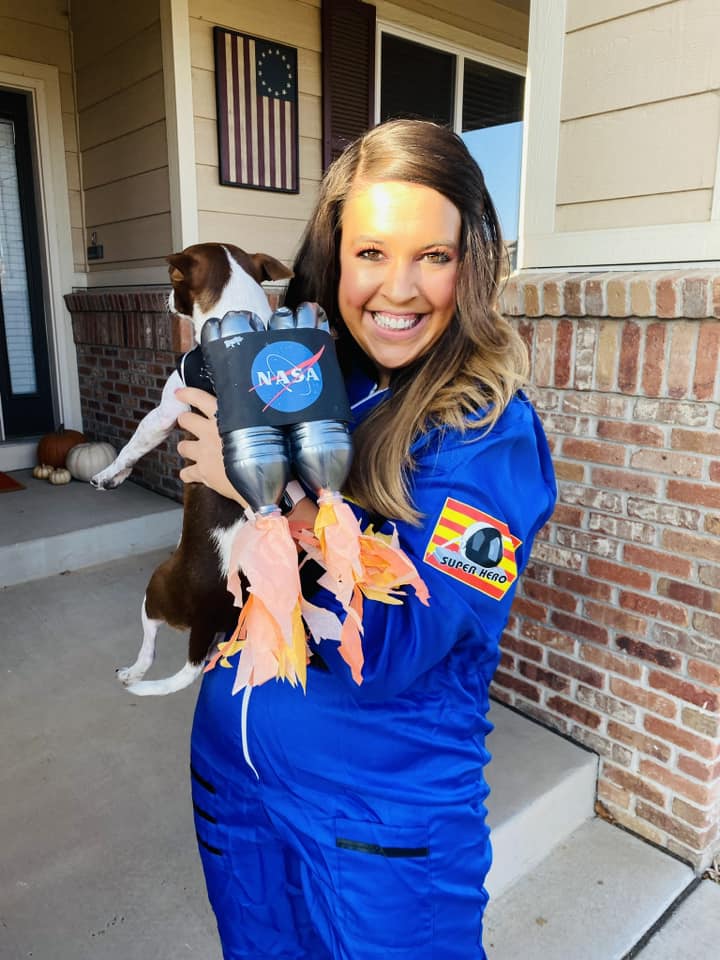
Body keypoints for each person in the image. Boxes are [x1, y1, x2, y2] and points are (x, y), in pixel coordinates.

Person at [175, 118, 556, 960]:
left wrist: (268, 496)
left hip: (380, 828)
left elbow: (392, 642)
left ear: (473, 265)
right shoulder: (304, 374)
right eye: (373, 253)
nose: (402, 287)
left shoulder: (488, 434)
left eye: (436, 256)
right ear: (335, 257)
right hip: (236, 788)